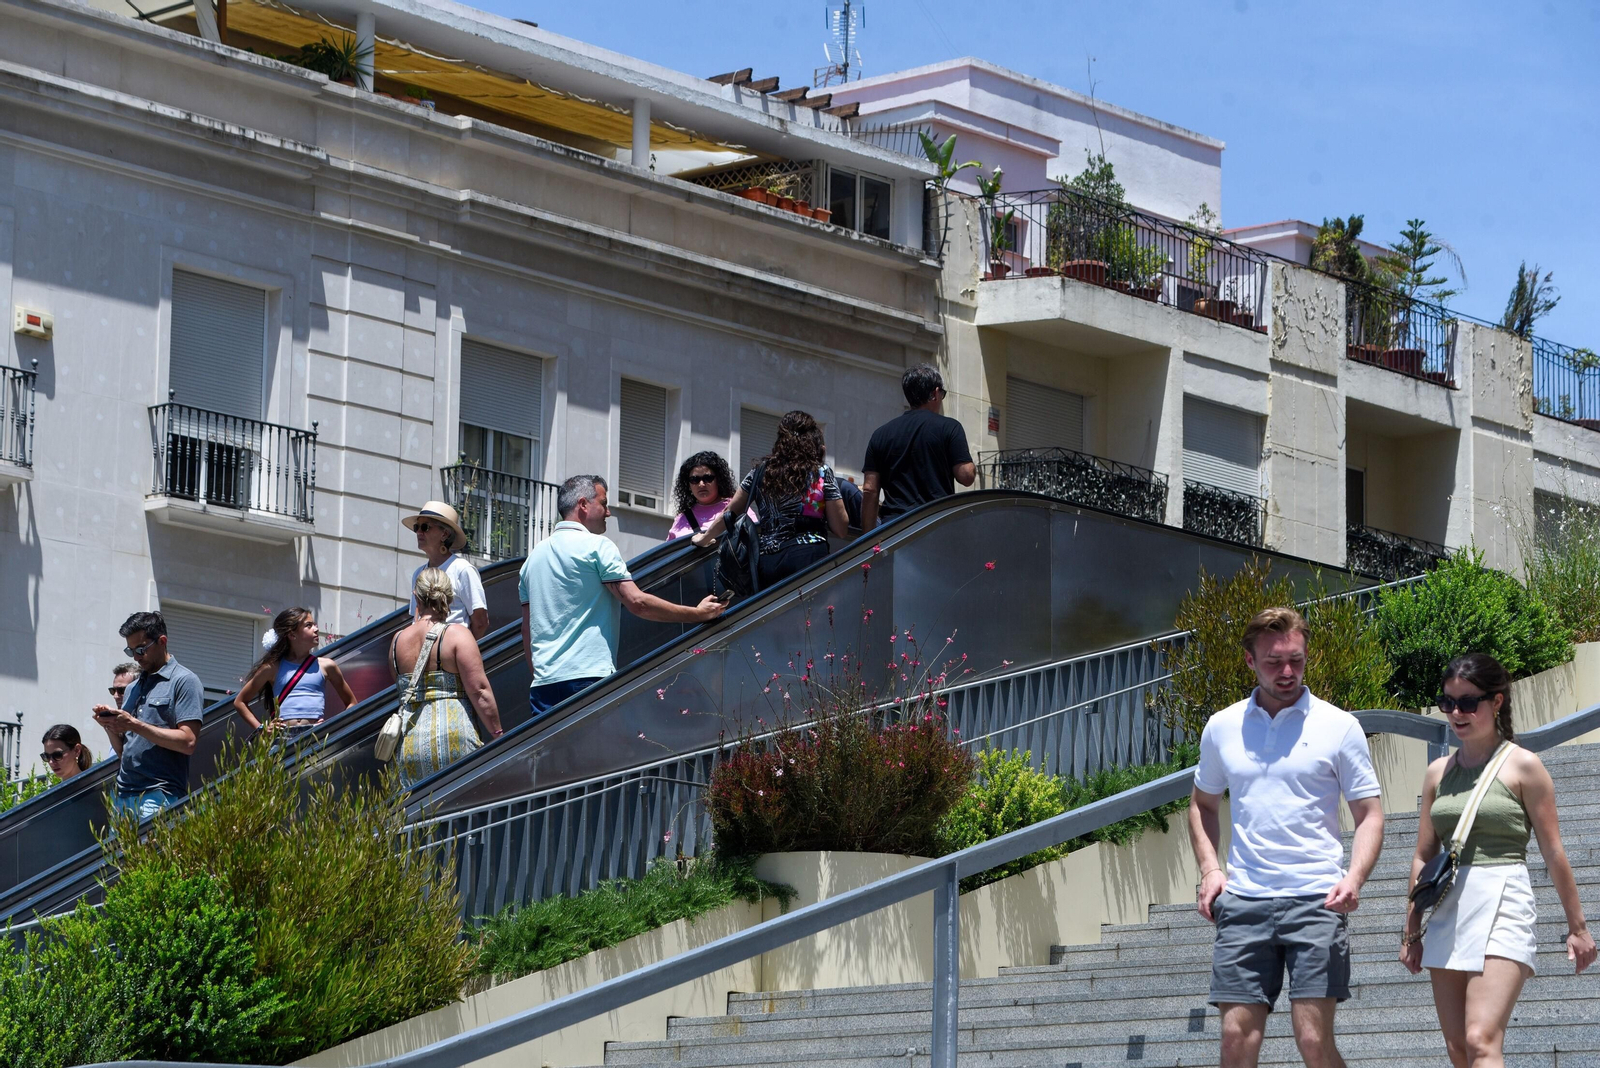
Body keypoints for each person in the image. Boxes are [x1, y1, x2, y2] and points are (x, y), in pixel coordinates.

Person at [1188, 606, 1385, 1068]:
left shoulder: (1339, 726)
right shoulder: (1222, 727)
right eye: (1274, 662)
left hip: (1317, 898)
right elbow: (1202, 804)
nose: (1288, 672)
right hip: (1245, 900)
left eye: (1296, 659)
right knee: (1236, 1040)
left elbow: (1370, 814)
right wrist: (1210, 870)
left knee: (1313, 1041)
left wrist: (1354, 876)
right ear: (1249, 661)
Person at [1399, 653, 1595, 1067]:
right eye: (1448, 702)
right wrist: (1411, 928)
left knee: (1481, 1038)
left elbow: (1553, 850)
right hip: (1449, 903)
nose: (1457, 713)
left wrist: (1577, 927)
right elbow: (1422, 855)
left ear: (1497, 702)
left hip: (1504, 895)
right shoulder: (1437, 773)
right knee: (1457, 1049)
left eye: (1469, 702)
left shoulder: (1523, 765)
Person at [520, 475, 725, 718]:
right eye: (604, 504)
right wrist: (698, 614)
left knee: (551, 756)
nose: (608, 513)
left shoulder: (531, 561)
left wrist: (542, 675)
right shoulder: (597, 546)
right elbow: (637, 603)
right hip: (588, 680)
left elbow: (527, 630)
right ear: (583, 505)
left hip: (543, 686)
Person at [691, 411, 849, 589]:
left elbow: (730, 512)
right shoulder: (820, 472)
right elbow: (841, 529)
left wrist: (705, 538)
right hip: (809, 556)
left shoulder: (760, 472)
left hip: (769, 562)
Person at [388, 568, 504, 789]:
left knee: (418, 816)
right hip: (454, 738)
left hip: (410, 743)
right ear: (449, 597)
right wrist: (498, 734)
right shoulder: (457, 635)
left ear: (416, 597)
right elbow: (479, 690)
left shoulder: (397, 641)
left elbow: (403, 690)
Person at [90, 611, 206, 819]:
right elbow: (122, 751)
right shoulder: (133, 687)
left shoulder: (184, 681)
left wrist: (134, 724)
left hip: (159, 795)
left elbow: (188, 742)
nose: (136, 657)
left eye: (141, 649)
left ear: (162, 641)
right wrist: (109, 725)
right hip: (123, 795)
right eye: (130, 651)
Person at [860, 365, 975, 531]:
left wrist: (868, 540)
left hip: (894, 529)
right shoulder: (949, 427)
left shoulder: (880, 434)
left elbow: (870, 489)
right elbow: (966, 476)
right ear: (935, 393)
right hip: (936, 524)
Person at [232, 608, 357, 737]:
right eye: (309, 625)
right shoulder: (272, 668)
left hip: (315, 735)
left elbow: (352, 703)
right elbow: (240, 702)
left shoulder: (326, 666)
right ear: (292, 635)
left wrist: (331, 725)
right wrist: (262, 729)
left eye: (314, 624)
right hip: (282, 736)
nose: (316, 629)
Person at [402, 501, 489, 638]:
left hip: (452, 652)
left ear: (445, 534)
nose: (419, 532)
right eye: (416, 527)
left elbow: (480, 622)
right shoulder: (418, 574)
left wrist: (462, 651)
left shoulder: (463, 570)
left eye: (425, 527)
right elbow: (416, 620)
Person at [667, 452, 755, 540]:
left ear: (719, 480)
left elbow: (756, 537)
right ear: (688, 484)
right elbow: (668, 552)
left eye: (708, 478)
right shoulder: (681, 518)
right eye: (694, 480)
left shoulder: (737, 507)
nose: (701, 484)